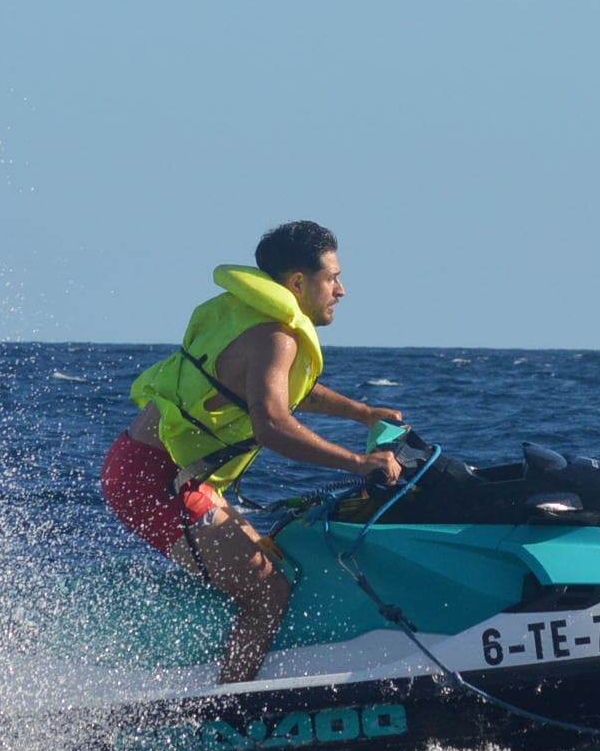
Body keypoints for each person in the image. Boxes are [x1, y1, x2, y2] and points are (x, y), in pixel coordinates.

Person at [103, 221, 406, 682]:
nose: (341, 290)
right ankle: (228, 710)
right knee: (268, 591)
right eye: (333, 278)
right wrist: (358, 462)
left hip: (162, 469)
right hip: (157, 479)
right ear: (298, 282)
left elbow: (286, 389)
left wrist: (362, 413)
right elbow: (273, 426)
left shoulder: (254, 321)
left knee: (272, 555)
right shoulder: (275, 336)